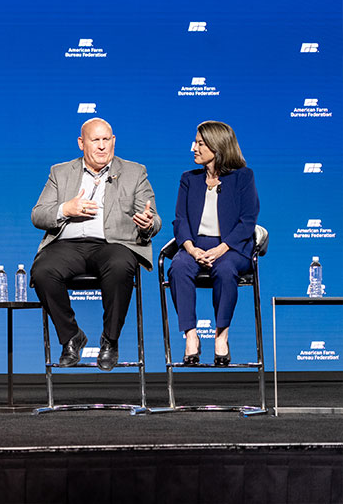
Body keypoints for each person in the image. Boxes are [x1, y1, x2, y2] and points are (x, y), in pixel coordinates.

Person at [31, 118, 161, 371]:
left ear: (113, 141)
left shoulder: (134, 172)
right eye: (95, 140)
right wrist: (65, 209)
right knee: (43, 271)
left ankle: (110, 340)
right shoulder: (60, 172)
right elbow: (38, 214)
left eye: (106, 140)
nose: (102, 146)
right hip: (68, 244)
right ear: (82, 143)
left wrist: (147, 223)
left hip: (113, 243)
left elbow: (153, 218)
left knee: (121, 265)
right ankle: (71, 336)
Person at [168, 121, 259, 366]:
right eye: (195, 142)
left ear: (217, 146)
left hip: (232, 246)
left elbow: (247, 221)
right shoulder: (189, 179)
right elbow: (181, 220)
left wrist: (221, 248)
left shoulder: (243, 177)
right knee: (178, 267)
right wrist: (190, 248)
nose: (193, 148)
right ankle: (191, 337)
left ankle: (221, 336)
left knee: (226, 269)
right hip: (195, 245)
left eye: (199, 143)